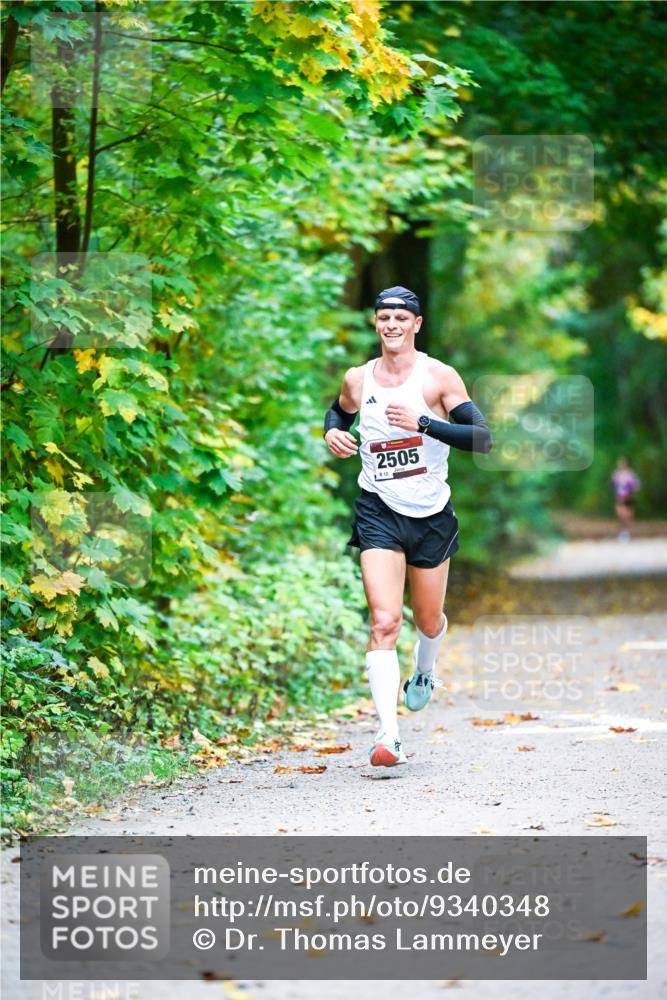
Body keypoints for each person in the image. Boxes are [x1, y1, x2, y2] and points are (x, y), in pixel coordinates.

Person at [323, 286, 492, 767]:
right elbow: (340, 410)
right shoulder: (358, 378)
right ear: (375, 325)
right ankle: (388, 735)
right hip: (377, 508)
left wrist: (425, 423)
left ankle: (424, 671)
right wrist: (332, 430)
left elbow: (482, 438)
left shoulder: (437, 377)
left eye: (401, 317)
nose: (391, 325)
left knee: (428, 620)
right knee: (384, 621)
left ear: (417, 324)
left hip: (431, 513)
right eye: (383, 318)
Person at [610, 457, 640, 542]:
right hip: (619, 497)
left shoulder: (630, 474)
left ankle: (627, 533)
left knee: (628, 516)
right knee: (620, 514)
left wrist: (630, 494)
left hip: (628, 497)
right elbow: (613, 485)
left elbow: (635, 486)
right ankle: (622, 532)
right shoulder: (616, 474)